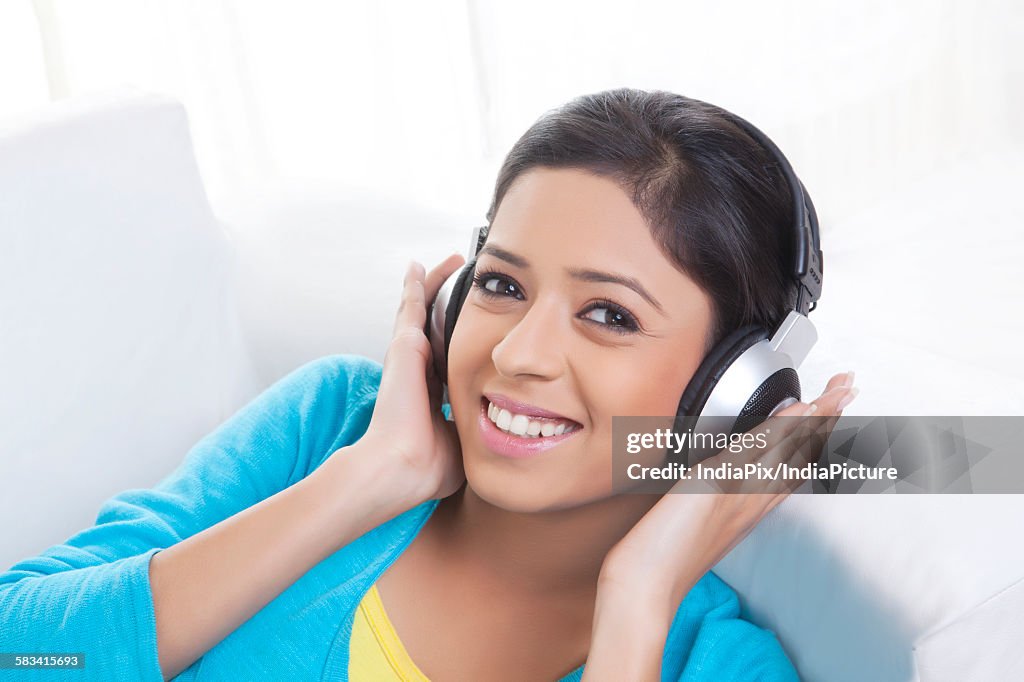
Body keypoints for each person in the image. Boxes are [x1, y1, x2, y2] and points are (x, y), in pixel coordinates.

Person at [0, 88, 858, 681]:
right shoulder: (332, 426)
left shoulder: (711, 659)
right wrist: (366, 484)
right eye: (502, 284)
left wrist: (637, 603)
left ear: (729, 395)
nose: (520, 353)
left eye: (610, 315)